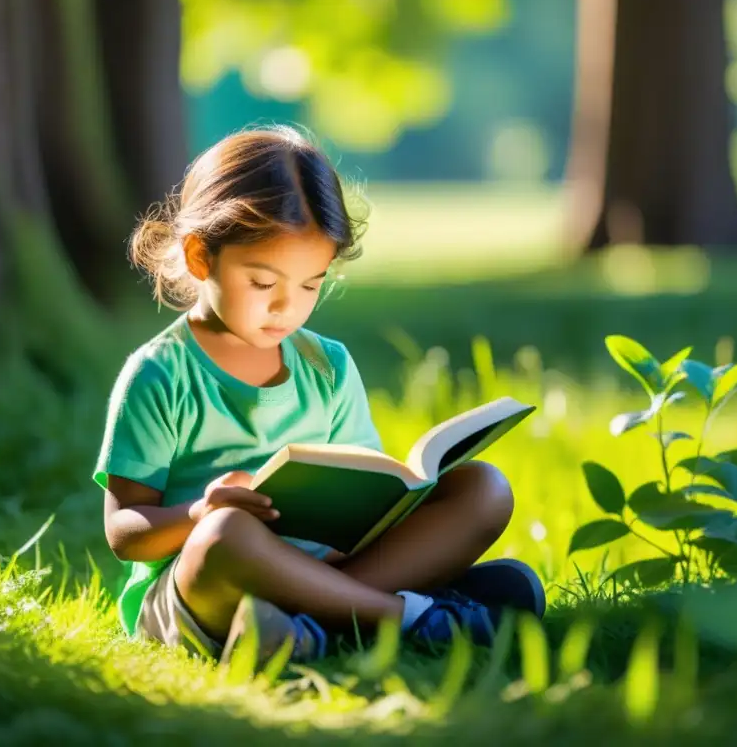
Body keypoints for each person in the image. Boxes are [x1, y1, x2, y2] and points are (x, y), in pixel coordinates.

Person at [94, 125, 545, 666]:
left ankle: (310, 625)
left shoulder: (326, 366)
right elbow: (124, 532)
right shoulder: (159, 374)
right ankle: (411, 617)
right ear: (200, 257)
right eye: (263, 284)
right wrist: (199, 512)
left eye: (311, 284)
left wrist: (382, 510)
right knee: (228, 534)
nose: (287, 308)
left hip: (329, 566)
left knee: (484, 490)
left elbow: (364, 490)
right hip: (204, 585)